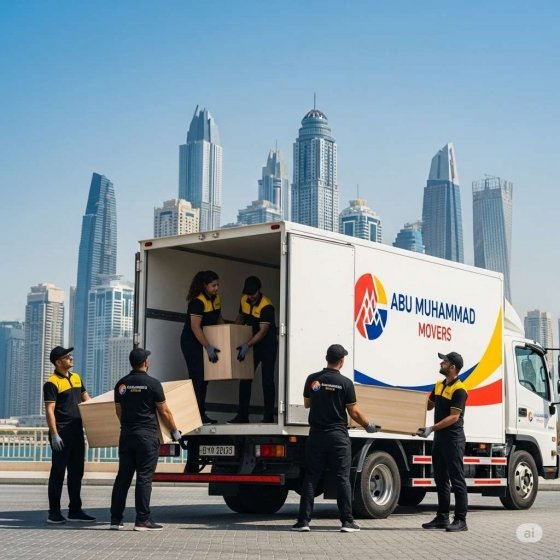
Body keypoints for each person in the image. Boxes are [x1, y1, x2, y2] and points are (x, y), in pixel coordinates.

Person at [292, 344, 380, 533]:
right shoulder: (345, 383)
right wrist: (368, 425)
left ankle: (303, 522)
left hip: (316, 436)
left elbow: (307, 403)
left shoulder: (313, 379)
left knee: (311, 478)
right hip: (338, 437)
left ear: (327, 358)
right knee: (342, 478)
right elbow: (353, 412)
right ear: (341, 361)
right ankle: (347, 522)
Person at [109, 348, 181, 531]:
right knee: (144, 478)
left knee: (123, 478)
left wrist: (129, 426)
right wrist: (174, 431)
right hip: (147, 437)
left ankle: (115, 520)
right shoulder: (153, 384)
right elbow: (164, 412)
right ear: (145, 363)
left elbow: (119, 412)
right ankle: (142, 520)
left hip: (127, 435)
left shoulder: (121, 384)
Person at [43, 346, 95, 524]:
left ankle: (75, 510)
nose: (71, 358)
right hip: (61, 434)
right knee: (58, 473)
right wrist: (54, 434)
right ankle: (54, 513)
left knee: (76, 472)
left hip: (77, 432)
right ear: (58, 362)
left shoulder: (76, 378)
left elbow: (87, 400)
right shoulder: (51, 383)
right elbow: (49, 411)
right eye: (67, 357)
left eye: (70, 355)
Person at [418, 351, 469, 532]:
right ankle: (442, 517)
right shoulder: (439, 385)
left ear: (453, 367)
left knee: (457, 479)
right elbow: (429, 405)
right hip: (440, 438)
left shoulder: (460, 390)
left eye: (445, 361)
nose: (441, 363)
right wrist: (414, 401)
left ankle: (461, 520)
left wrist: (431, 428)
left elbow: (454, 417)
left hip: (453, 439)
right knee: (440, 479)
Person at [228, 276, 278, 424]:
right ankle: (242, 415)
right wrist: (234, 333)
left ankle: (268, 416)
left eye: (253, 294)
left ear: (259, 290)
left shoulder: (266, 306)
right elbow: (241, 317)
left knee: (267, 380)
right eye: (249, 294)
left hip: (267, 346)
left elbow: (263, 331)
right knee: (245, 378)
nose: (251, 297)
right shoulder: (244, 299)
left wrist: (247, 345)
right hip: (252, 344)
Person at [180, 270, 224, 425]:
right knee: (197, 378)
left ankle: (201, 414)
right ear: (205, 286)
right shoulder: (197, 302)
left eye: (217, 285)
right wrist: (208, 347)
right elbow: (195, 327)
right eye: (213, 285)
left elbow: (218, 319)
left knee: (205, 379)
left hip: (205, 342)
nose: (216, 288)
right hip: (192, 343)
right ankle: (196, 416)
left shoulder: (216, 299)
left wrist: (225, 336)